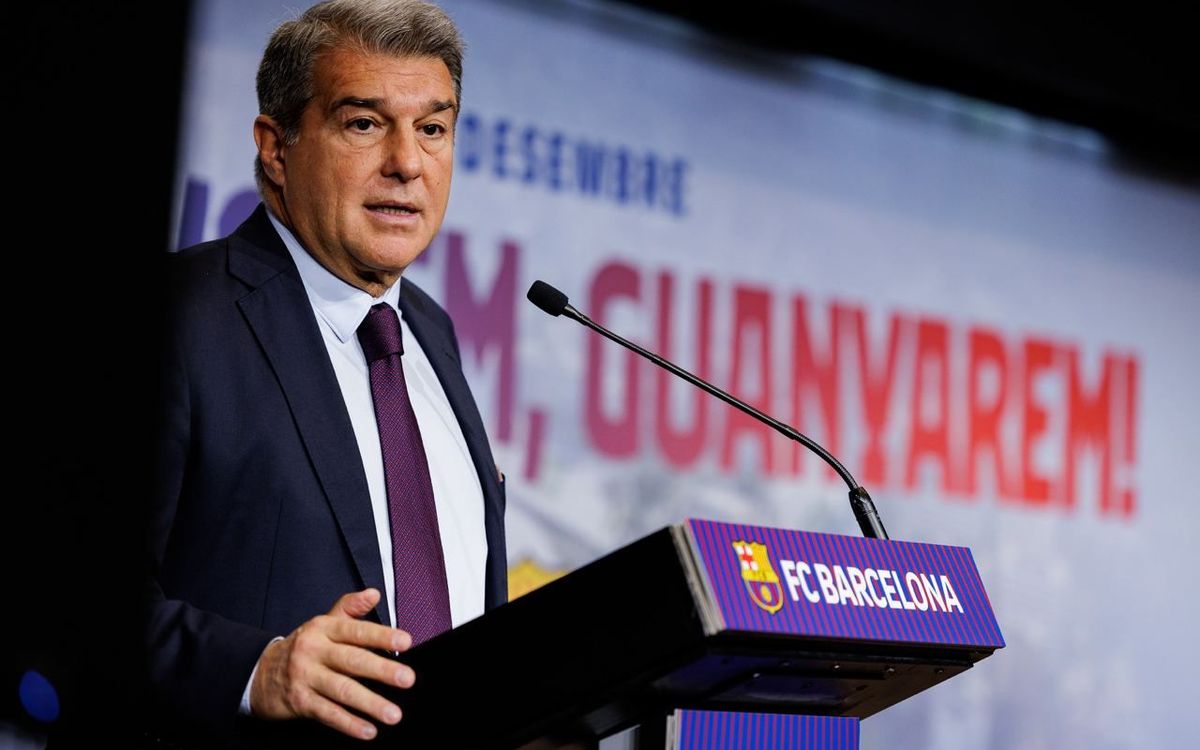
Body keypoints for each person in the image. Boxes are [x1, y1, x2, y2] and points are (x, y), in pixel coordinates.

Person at [147, 0, 506, 745]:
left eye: (432, 128)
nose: (408, 163)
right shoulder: (182, 315)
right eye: (364, 124)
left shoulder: (432, 335)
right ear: (276, 148)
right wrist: (256, 670)